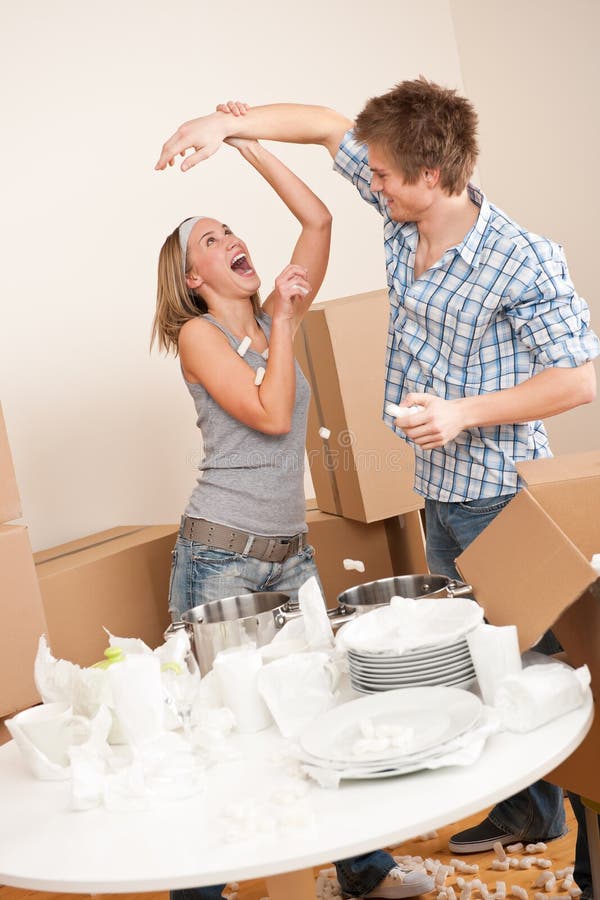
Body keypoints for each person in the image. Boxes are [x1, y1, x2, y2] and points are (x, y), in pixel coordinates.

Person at [155, 78, 600, 861]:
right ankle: (525, 812)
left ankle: (557, 811)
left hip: (501, 492)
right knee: (467, 661)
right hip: (432, 494)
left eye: (386, 175)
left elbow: (580, 378)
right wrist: (228, 130)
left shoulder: (522, 260)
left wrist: (463, 413)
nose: (373, 181)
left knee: (530, 662)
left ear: (431, 176)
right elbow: (329, 127)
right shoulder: (399, 213)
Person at [153, 137, 433, 900]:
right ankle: (199, 893)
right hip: (223, 561)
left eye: (231, 229)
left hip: (289, 554)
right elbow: (274, 417)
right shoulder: (200, 337)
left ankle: (364, 874)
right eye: (210, 240)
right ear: (191, 277)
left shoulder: (275, 321)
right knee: (219, 737)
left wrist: (246, 141)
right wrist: (279, 315)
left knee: (325, 706)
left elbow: (316, 217)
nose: (231, 240)